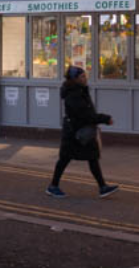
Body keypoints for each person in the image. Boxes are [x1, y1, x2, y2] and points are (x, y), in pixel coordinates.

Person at [47, 66, 119, 198]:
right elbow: (85, 115)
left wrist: (100, 119)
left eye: (85, 76)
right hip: (75, 132)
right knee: (64, 159)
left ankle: (103, 187)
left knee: (92, 157)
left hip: (83, 130)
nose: (85, 78)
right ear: (75, 79)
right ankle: (53, 186)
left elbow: (87, 113)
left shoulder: (80, 90)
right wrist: (105, 119)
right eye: (82, 77)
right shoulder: (73, 94)